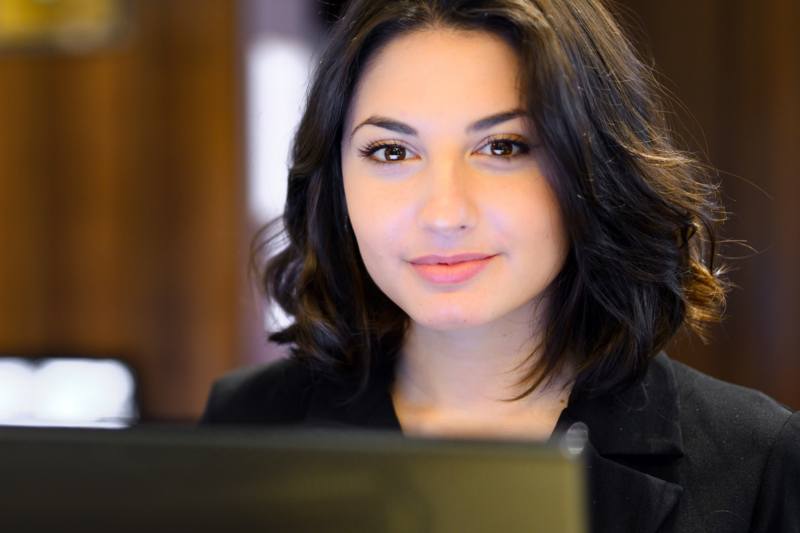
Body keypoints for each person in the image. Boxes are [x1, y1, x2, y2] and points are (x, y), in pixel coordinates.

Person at [201, 0, 799, 530]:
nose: (444, 212)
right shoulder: (245, 424)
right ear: (335, 182)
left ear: (595, 168)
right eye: (391, 151)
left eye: (503, 147)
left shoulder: (757, 460)